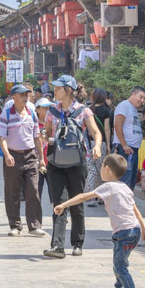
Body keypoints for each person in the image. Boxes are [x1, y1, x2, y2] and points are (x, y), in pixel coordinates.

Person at [55, 154, 145, 288]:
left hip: (123, 233)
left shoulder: (108, 187)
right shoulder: (125, 187)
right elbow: (135, 210)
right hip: (134, 231)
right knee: (121, 262)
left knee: (120, 268)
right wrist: (144, 229)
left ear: (106, 169)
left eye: (101, 167)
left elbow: (83, 196)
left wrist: (63, 205)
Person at [43, 75, 103, 259]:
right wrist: (44, 137)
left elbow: (96, 132)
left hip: (77, 163)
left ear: (69, 90)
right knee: (59, 203)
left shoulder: (84, 111)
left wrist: (97, 146)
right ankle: (57, 245)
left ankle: (77, 243)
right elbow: (46, 133)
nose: (55, 90)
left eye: (58, 88)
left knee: (77, 202)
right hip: (56, 163)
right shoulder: (52, 111)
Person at [0, 84, 46, 237]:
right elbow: (1, 137)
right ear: (14, 97)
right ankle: (15, 225)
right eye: (22, 95)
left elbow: (37, 137)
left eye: (27, 95)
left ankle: (34, 225)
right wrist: (7, 154)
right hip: (13, 156)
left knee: (33, 189)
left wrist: (41, 158)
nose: (25, 97)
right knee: (13, 192)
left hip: (30, 155)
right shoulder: (6, 114)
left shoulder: (32, 114)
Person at [113, 87, 145, 190]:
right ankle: (121, 205)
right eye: (140, 97)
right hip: (125, 149)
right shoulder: (124, 105)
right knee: (125, 180)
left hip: (132, 149)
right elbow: (117, 125)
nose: (142, 101)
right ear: (133, 94)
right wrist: (124, 145)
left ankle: (126, 204)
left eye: (144, 98)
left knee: (131, 179)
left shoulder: (133, 108)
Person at [85, 88, 112, 205]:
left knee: (91, 169)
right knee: (101, 168)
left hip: (90, 143)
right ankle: (102, 197)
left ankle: (90, 197)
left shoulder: (89, 109)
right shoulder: (106, 110)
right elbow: (106, 128)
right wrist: (108, 145)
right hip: (102, 143)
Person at [35, 97, 53, 203]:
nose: (48, 109)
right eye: (45, 107)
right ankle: (36, 218)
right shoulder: (34, 125)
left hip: (51, 162)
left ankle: (58, 217)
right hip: (38, 164)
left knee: (54, 192)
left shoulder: (52, 123)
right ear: (37, 109)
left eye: (49, 107)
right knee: (37, 192)